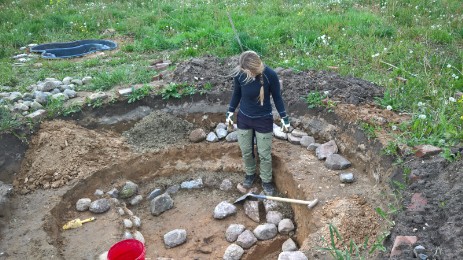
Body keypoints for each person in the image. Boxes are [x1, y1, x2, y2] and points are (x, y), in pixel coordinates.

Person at [226, 50, 290, 196]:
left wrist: (284, 117)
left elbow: (277, 98)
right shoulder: (240, 74)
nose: (245, 74)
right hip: (244, 118)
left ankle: (266, 181)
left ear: (255, 68)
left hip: (263, 119)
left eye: (248, 71)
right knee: (246, 151)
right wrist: (230, 112)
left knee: (264, 154)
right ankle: (250, 175)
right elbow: (236, 94)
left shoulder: (270, 75)